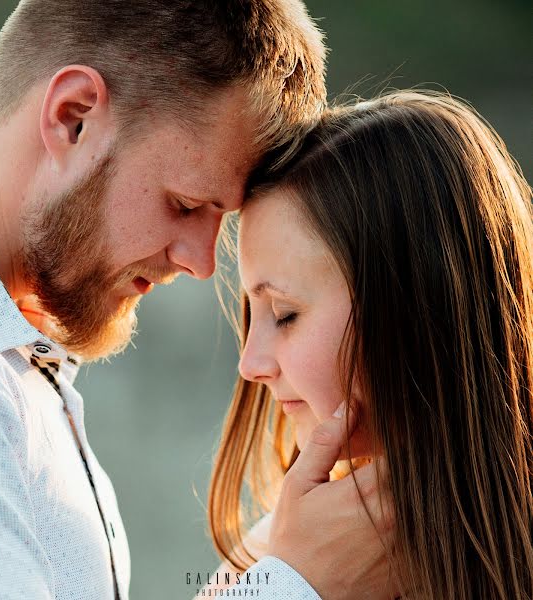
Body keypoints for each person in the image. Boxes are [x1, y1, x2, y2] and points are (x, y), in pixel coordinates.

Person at [0, 1, 397, 599]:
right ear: (72, 117)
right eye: (183, 204)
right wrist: (293, 584)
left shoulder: (3, 356)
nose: (201, 264)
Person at [209, 91, 533, 599]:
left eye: (285, 314)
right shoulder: (269, 560)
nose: (250, 364)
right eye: (253, 314)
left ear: (417, 307)